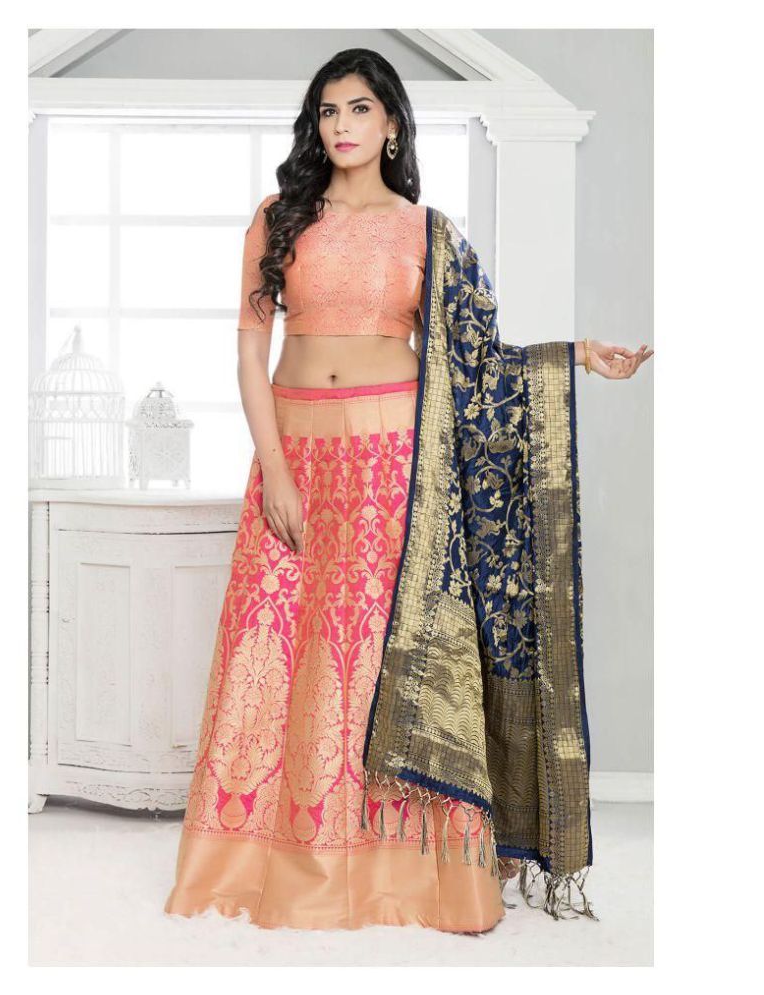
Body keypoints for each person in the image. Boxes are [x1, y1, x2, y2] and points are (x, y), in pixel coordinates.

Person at [163, 48, 653, 934]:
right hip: (296, 452)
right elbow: (248, 349)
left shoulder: (429, 231)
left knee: (374, 659)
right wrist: (274, 466)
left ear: (391, 122)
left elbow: (478, 364)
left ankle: (403, 871)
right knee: (282, 650)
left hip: (395, 465)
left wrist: (576, 355)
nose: (341, 125)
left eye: (359, 108)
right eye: (328, 111)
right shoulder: (279, 218)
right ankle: (279, 858)